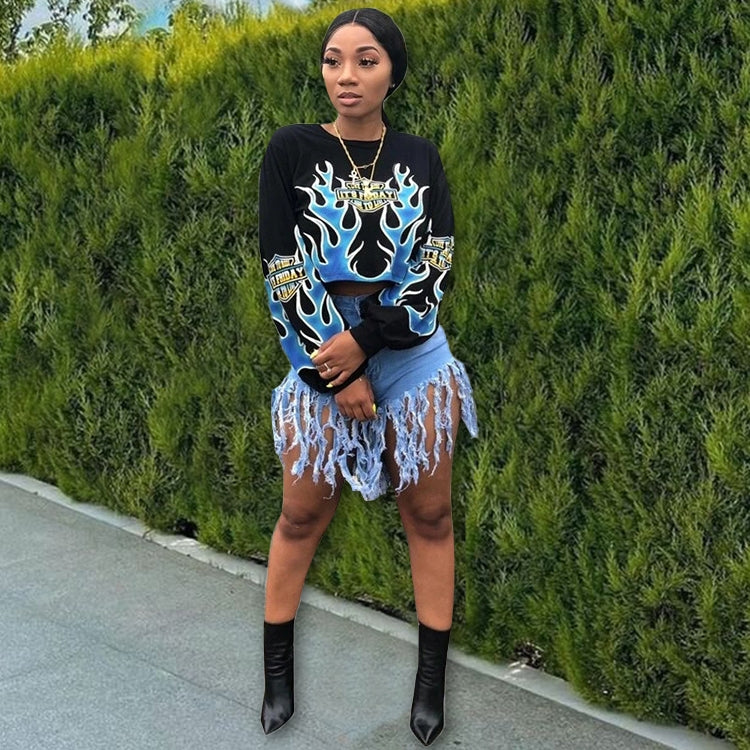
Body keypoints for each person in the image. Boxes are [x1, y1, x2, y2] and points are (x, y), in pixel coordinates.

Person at [257, 7, 478, 746]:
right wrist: (335, 366)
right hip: (317, 346)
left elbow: (435, 264)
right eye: (333, 60)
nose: (346, 76)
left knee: (431, 516)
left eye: (366, 60)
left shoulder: (419, 156)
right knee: (300, 514)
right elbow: (282, 265)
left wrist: (367, 341)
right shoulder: (290, 150)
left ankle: (430, 690)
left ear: (393, 73)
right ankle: (278, 680)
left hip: (412, 352)